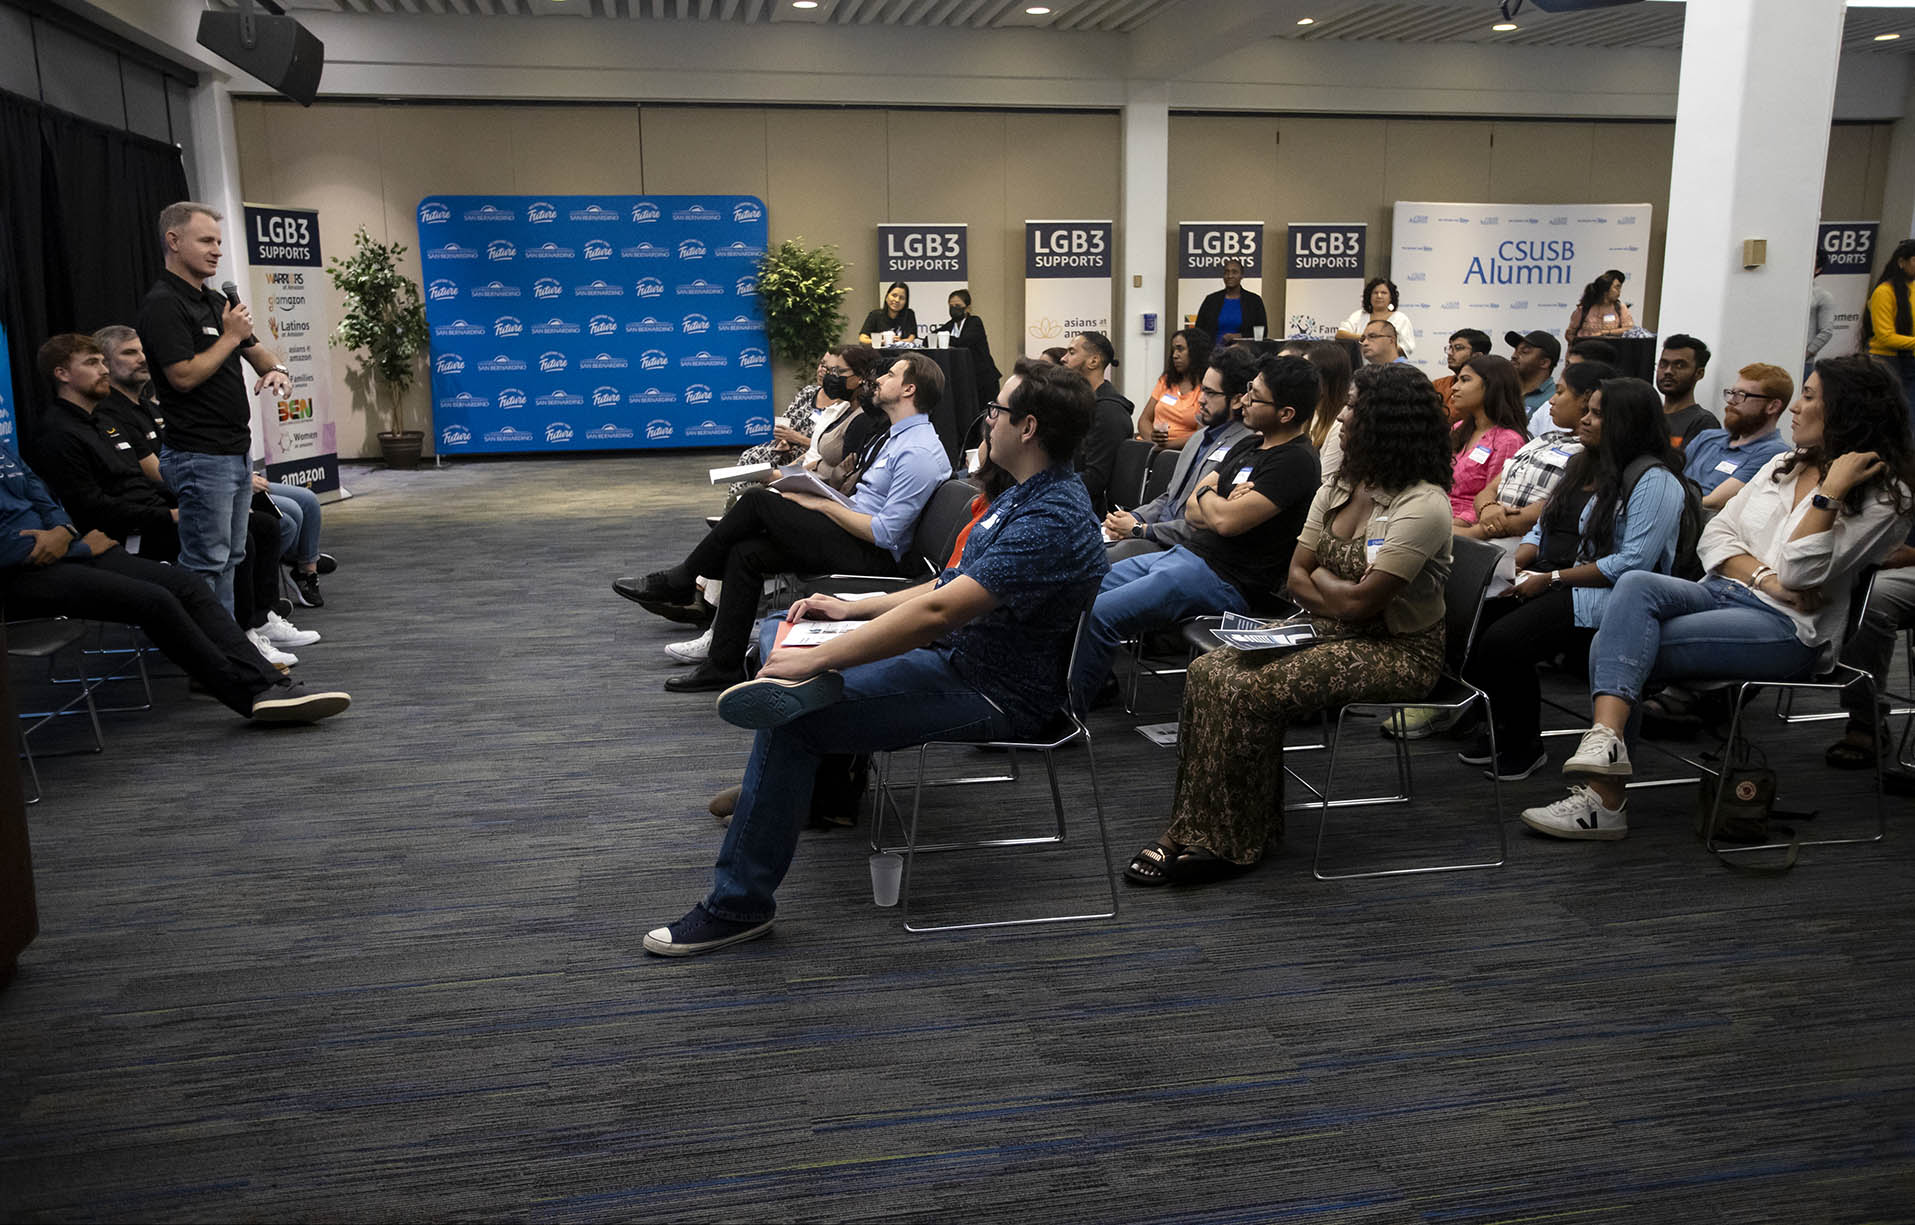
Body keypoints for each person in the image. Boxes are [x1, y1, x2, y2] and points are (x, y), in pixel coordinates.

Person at [640, 362, 1106, 957]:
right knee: (777, 635)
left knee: (794, 714)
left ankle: (737, 905)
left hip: (998, 692)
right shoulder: (1023, 498)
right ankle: (788, 792)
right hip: (960, 659)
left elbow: (941, 613)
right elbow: (948, 587)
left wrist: (824, 657)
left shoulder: (1051, 518)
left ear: (1029, 427)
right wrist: (853, 610)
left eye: (997, 410)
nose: (988, 419)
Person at [1521, 355, 1915, 841]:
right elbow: (1714, 535)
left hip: (1789, 631)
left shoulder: (1884, 496)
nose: (1795, 407)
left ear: (1848, 410)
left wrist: (1829, 493)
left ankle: (1604, 798)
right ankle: (1605, 746)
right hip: (1732, 595)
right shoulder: (1782, 465)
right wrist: (1768, 580)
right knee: (1636, 585)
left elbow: (1803, 567)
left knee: (1614, 646)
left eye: (1810, 397)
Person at [1122, 363, 1453, 886]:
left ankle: (1231, 842)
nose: (1341, 417)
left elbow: (1362, 605)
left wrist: (1332, 590)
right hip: (1327, 626)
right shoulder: (1341, 485)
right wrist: (1337, 593)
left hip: (1398, 649)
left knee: (1251, 691)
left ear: (1387, 423)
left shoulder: (1424, 505)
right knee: (1211, 672)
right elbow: (1296, 577)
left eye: (1352, 409)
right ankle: (1191, 826)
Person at [616, 353, 950, 693]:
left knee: (759, 501)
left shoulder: (918, 450)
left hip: (875, 557)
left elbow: (886, 533)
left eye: (890, 375)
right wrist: (819, 496)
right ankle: (723, 665)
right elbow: (868, 507)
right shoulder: (897, 437)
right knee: (747, 552)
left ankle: (684, 579)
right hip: (853, 537)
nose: (879, 379)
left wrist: (820, 504)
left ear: (908, 389)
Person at [0, 445, 348, 723]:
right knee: (154, 600)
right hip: (22, 572)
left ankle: (270, 683)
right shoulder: (55, 431)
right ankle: (251, 693)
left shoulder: (5, 447)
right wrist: (62, 545)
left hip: (68, 549)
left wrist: (64, 532)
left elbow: (40, 495)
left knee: (185, 584)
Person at [1460, 377, 1687, 781]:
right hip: (1562, 577)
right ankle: (1502, 725)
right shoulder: (1585, 463)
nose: (1584, 419)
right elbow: (1543, 526)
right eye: (1587, 410)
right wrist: (1521, 562)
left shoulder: (1655, 480)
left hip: (1615, 596)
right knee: (1476, 624)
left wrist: (1550, 578)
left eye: (1597, 413)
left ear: (1625, 422)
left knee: (1506, 640)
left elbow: (1632, 564)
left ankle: (1525, 744)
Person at [1069, 353, 1322, 713]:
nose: (1245, 400)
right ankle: (1079, 684)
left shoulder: (1295, 461)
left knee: (1100, 613)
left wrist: (1209, 498)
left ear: (1286, 413)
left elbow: (1223, 523)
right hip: (1186, 557)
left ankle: (1067, 711)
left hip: (1225, 581)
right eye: (1248, 390)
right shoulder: (1250, 444)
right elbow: (1192, 508)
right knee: (1077, 588)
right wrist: (1213, 498)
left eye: (1256, 396)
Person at [136, 201, 292, 616]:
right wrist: (228, 337)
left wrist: (277, 370)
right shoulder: (164, 304)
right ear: (174, 241)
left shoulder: (213, 300)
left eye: (219, 242)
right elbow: (182, 376)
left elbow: (259, 353)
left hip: (234, 450)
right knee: (206, 563)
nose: (217, 250)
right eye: (206, 240)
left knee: (232, 557)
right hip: (199, 455)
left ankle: (238, 641)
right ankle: (213, 657)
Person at [27, 335, 181, 563]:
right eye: (91, 363)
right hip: (123, 535)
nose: (104, 370)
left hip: (153, 516)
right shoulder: (57, 433)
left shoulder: (105, 421)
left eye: (103, 362)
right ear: (62, 374)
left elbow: (136, 481)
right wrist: (169, 516)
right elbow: (93, 508)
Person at [1104, 344, 1256, 558]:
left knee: (1099, 564)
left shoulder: (1246, 445)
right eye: (1203, 389)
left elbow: (1201, 524)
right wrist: (1131, 517)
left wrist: (1140, 529)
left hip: (1183, 548)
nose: (1201, 400)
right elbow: (1170, 497)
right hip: (1157, 536)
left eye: (1210, 393)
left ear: (1238, 399)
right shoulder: (1198, 438)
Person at [1461, 359, 1615, 543]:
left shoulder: (1589, 453)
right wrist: (1488, 507)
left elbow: (1551, 507)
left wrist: (1478, 531)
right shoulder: (1545, 438)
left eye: (1560, 392)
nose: (1551, 399)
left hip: (1521, 540)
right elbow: (1491, 488)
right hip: (1486, 527)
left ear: (1586, 399)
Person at [1683, 363, 1794, 509]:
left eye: (1741, 395)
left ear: (1772, 406)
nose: (1730, 401)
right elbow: (1670, 479)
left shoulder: (1775, 453)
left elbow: (1714, 502)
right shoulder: (1707, 438)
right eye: (1731, 393)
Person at [1446, 353, 1529, 527]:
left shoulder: (1508, 440)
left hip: (1466, 528)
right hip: (1438, 512)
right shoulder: (1458, 428)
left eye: (1465, 380)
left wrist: (1453, 525)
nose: (1454, 387)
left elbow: (1491, 500)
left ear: (1492, 385)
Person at [1060, 331, 1135, 516]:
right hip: (1069, 499)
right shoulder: (1080, 405)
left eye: (1071, 352)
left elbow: (1095, 480)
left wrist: (1050, 489)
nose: (1063, 358)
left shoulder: (1108, 412)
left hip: (1088, 512)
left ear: (1093, 361)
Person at [91, 325, 165, 475]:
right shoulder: (104, 412)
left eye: (144, 351)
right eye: (129, 353)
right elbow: (159, 476)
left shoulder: (152, 408)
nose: (143, 359)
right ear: (103, 364)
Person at [260, 475, 333, 607]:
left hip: (242, 476)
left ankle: (306, 568)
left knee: (309, 499)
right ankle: (299, 557)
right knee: (291, 517)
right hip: (229, 484)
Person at [1137, 328, 1212, 450]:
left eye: (1180, 349)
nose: (1175, 355)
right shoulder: (1166, 380)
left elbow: (1201, 434)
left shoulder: (1207, 389)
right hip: (1151, 447)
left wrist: (1165, 447)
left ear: (1196, 352)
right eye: (1173, 350)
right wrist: (1152, 440)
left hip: (1181, 452)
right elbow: (1144, 420)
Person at [1864, 238, 1915, 408]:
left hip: (1909, 361)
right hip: (1886, 361)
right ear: (1901, 262)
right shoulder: (1884, 292)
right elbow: (1885, 336)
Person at [1296, 339, 1354, 485]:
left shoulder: (1340, 424)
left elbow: (1323, 483)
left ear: (1327, 379)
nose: (1299, 379)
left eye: (1306, 372)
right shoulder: (1307, 412)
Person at [1656, 333, 1721, 449]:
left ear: (1699, 373)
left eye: (1680, 365)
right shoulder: (1649, 415)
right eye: (1663, 364)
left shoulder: (1703, 422)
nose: (1668, 371)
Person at [940, 290, 1000, 398]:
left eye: (958, 305)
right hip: (964, 380)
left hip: (983, 380)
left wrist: (945, 338)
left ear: (967, 308)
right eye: (951, 306)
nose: (954, 309)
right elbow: (930, 337)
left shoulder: (975, 322)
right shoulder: (949, 326)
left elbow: (963, 341)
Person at [1337, 277, 1417, 357]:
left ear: (1391, 297)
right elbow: (1340, 334)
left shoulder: (1400, 319)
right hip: (1360, 366)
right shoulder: (1359, 315)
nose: (1379, 296)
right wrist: (1365, 338)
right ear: (1369, 296)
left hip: (1390, 367)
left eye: (1384, 293)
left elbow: (1407, 348)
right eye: (1375, 293)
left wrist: (1382, 346)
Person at [1193, 260, 1267, 345]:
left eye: (1234, 272)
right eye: (1226, 272)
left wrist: (1239, 336)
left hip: (1245, 353)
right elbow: (1198, 331)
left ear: (1242, 276)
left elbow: (1262, 332)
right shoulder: (1211, 300)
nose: (1230, 276)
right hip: (1213, 353)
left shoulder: (1254, 301)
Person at [1508, 330, 1562, 437]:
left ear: (1544, 363)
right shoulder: (1504, 391)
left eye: (1525, 352)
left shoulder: (1555, 398)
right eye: (1515, 350)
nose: (1514, 356)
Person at [1433, 328, 1492, 420]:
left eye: (1458, 348)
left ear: (1477, 356)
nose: (1450, 353)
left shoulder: (1490, 388)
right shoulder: (1439, 384)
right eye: (1450, 348)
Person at [1566, 272, 1636, 342]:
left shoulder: (1620, 308)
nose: (1619, 291)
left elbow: (1629, 330)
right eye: (1616, 287)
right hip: (1586, 351)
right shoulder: (1585, 308)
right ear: (1606, 289)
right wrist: (1580, 346)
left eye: (1620, 288)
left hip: (1611, 350)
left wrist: (1606, 333)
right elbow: (1570, 334)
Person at [1807, 249, 1836, 378]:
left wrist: (1806, 354)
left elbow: (1826, 331)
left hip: (1804, 363)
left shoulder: (1823, 296)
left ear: (1818, 269)